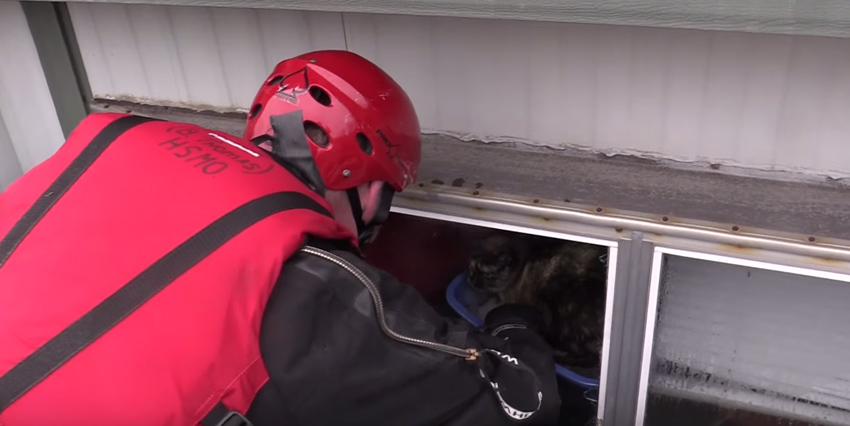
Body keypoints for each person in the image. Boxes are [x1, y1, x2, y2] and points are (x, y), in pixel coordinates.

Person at [0, 50, 560, 426]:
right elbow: (518, 404)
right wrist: (513, 320)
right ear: (367, 191)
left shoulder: (101, 158)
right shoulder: (310, 284)